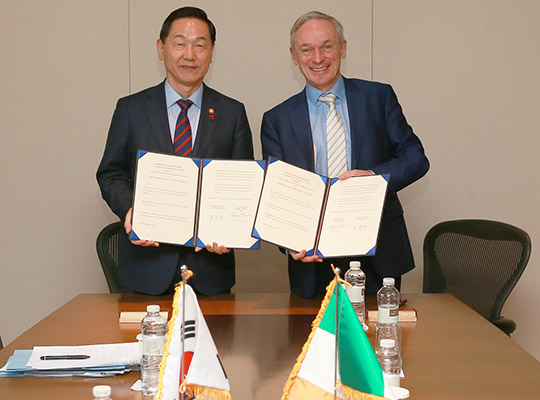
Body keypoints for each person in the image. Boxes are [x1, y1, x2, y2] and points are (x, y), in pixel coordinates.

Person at [261, 11, 429, 298]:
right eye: (307, 49)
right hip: (310, 258)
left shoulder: (378, 97)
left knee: (378, 340)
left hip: (377, 252)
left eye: (327, 46)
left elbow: (415, 158)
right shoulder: (276, 119)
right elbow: (276, 193)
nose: (318, 58)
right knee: (311, 339)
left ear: (343, 48)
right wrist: (287, 241)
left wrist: (373, 179)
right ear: (294, 55)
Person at [97, 7, 253, 295]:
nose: (189, 55)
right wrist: (132, 210)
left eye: (200, 45)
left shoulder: (232, 113)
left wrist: (232, 227)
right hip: (146, 272)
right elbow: (111, 173)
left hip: (211, 273)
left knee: (218, 341)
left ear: (212, 51)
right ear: (161, 48)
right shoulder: (131, 109)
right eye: (180, 44)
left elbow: (242, 185)